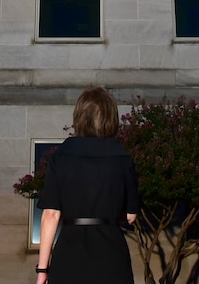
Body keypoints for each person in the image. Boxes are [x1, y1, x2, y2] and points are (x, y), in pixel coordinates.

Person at [35, 88, 139, 284]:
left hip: (69, 256)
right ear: (111, 118)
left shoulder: (61, 157)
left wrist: (42, 270)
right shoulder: (122, 158)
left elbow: (50, 215)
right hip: (111, 258)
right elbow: (131, 216)